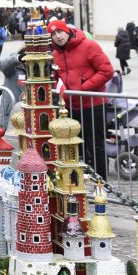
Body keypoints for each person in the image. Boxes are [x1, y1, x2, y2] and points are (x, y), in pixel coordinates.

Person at [48, 19, 113, 181]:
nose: (58, 36)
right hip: (72, 106)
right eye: (53, 34)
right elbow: (57, 78)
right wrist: (59, 88)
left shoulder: (89, 46)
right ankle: (79, 182)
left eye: (60, 32)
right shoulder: (56, 54)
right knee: (77, 146)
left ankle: (101, 182)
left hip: (93, 105)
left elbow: (106, 71)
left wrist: (82, 89)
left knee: (96, 145)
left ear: (67, 31)